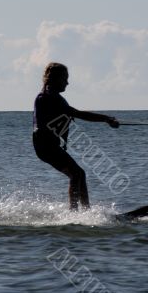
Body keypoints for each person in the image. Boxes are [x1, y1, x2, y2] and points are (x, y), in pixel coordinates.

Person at [33, 62, 119, 211]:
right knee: (77, 174)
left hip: (48, 145)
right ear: (54, 79)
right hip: (45, 146)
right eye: (64, 78)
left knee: (79, 174)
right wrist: (106, 118)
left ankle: (85, 211)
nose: (67, 82)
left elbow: (65, 117)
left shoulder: (52, 96)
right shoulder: (48, 97)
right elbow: (77, 114)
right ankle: (74, 212)